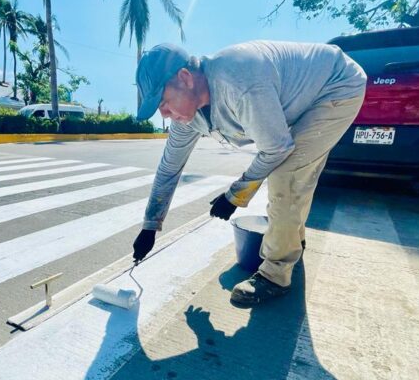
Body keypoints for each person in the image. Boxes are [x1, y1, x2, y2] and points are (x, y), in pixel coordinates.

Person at [131, 40, 367, 306]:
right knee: (296, 172)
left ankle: (275, 276)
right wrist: (150, 226)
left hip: (335, 86)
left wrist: (234, 196)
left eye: (163, 102)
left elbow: (277, 149)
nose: (164, 114)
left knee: (287, 173)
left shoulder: (238, 82)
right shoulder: (187, 119)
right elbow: (168, 169)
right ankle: (293, 242)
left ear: (185, 78)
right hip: (298, 99)